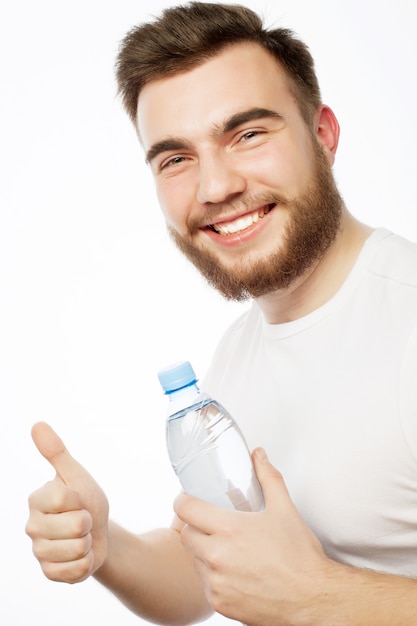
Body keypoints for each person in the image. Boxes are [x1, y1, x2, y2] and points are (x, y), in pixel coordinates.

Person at [26, 2, 417, 625]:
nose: (214, 188)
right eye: (176, 158)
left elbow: (291, 589)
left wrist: (319, 598)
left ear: (324, 135)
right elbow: (211, 577)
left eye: (248, 135)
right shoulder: (240, 351)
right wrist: (107, 546)